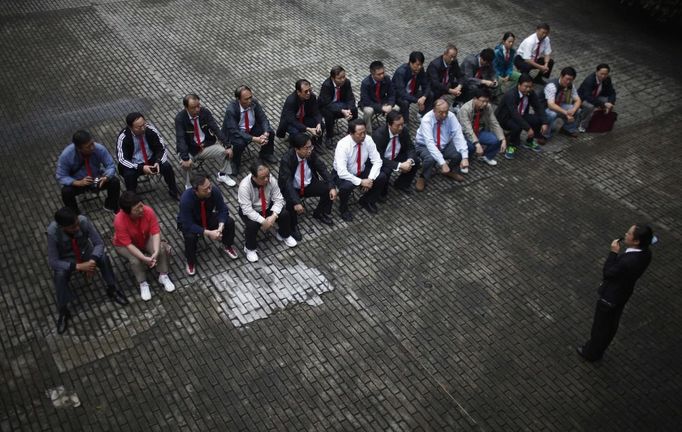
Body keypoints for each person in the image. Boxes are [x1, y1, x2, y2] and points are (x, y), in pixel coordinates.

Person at [578, 224, 654, 362]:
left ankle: (591, 352)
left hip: (610, 297)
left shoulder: (628, 261)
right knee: (611, 324)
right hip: (623, 294)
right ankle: (598, 349)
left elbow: (608, 273)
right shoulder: (646, 254)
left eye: (629, 233)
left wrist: (613, 253)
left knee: (600, 327)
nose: (625, 234)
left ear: (636, 241)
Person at [47, 208, 128, 334]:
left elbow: (99, 243)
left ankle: (112, 288)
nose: (78, 228)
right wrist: (78, 267)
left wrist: (92, 261)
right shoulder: (52, 232)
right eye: (73, 227)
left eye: (77, 223)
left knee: (103, 258)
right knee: (60, 274)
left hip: (86, 252)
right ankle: (63, 309)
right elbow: (53, 261)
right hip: (68, 258)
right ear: (63, 227)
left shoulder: (83, 221)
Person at [113, 192, 175, 301]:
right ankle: (143, 283)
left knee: (161, 248)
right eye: (137, 209)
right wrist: (144, 258)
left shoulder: (148, 211)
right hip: (125, 245)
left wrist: (155, 252)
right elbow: (128, 245)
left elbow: (155, 232)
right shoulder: (119, 220)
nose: (141, 209)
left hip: (144, 237)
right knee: (135, 260)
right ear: (128, 212)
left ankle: (163, 275)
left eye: (141, 205)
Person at [278, 133, 337, 240]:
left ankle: (320, 213)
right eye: (306, 148)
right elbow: (287, 183)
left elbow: (322, 169)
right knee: (290, 203)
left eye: (311, 147)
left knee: (327, 189)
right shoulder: (286, 160)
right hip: (293, 188)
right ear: (297, 149)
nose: (310, 150)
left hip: (308, 184)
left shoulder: (310, 154)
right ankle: (293, 225)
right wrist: (296, 202)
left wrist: (332, 186)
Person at [178, 174, 238, 276]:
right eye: (205, 190)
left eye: (209, 186)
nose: (209, 190)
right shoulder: (186, 200)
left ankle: (227, 245)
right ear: (195, 191)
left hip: (207, 217)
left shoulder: (214, 191)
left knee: (229, 222)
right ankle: (190, 261)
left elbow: (223, 209)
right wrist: (209, 233)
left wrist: (220, 227)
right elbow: (188, 224)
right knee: (190, 237)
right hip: (191, 222)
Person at [238, 160, 296, 262]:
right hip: (252, 210)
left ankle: (284, 234)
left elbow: (278, 199)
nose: (266, 179)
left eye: (267, 176)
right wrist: (264, 221)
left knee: (285, 214)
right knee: (251, 226)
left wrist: (273, 216)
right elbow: (247, 210)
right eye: (262, 178)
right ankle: (250, 248)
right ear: (254, 177)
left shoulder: (270, 179)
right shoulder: (244, 187)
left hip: (268, 206)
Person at [175, 93, 235, 188]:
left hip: (205, 145)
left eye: (198, 106)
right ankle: (189, 185)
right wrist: (185, 158)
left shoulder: (205, 112)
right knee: (185, 164)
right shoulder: (180, 118)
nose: (197, 110)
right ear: (186, 107)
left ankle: (223, 175)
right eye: (193, 108)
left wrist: (227, 145)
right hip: (190, 149)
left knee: (224, 152)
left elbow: (215, 129)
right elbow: (181, 139)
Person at [116, 112, 179, 201]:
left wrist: (158, 161)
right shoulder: (123, 137)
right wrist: (141, 168)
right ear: (130, 127)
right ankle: (132, 200)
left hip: (151, 159)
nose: (143, 128)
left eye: (144, 124)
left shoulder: (150, 130)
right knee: (129, 175)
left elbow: (162, 148)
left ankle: (174, 191)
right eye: (139, 127)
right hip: (134, 164)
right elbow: (122, 159)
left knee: (166, 166)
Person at [332, 119, 387, 221]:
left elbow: (377, 161)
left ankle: (367, 200)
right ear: (351, 133)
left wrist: (370, 179)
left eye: (364, 132)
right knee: (346, 186)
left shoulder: (368, 140)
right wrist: (361, 182)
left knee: (381, 177)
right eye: (360, 133)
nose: (363, 136)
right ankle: (343, 209)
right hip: (344, 175)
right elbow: (342, 172)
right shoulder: (343, 145)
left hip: (361, 170)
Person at [56, 129, 121, 214]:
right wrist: (77, 182)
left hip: (96, 178)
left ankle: (110, 205)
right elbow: (61, 175)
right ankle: (75, 214)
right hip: (79, 182)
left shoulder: (99, 149)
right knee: (66, 192)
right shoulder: (66, 155)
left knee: (114, 181)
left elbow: (110, 165)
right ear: (79, 148)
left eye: (92, 144)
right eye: (88, 147)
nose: (92, 148)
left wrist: (106, 176)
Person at [414, 99, 467, 191]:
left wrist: (465, 157)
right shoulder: (426, 120)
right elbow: (429, 143)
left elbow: (458, 135)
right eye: (441, 112)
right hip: (424, 146)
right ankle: (423, 177)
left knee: (459, 153)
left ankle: (448, 171)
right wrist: (442, 163)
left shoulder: (450, 116)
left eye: (446, 112)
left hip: (444, 144)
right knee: (430, 158)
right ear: (434, 111)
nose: (444, 115)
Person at [221, 85, 277, 172]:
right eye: (246, 99)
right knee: (239, 144)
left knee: (271, 132)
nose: (250, 101)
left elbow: (263, 118)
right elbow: (235, 131)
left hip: (251, 127)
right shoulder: (231, 110)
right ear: (238, 99)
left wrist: (266, 132)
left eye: (250, 97)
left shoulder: (254, 103)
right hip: (237, 132)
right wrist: (255, 139)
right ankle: (235, 163)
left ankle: (266, 154)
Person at [494, 74, 549, 160]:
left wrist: (544, 122)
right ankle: (512, 145)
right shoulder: (510, 95)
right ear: (519, 85)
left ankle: (529, 142)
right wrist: (528, 128)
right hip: (505, 118)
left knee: (537, 120)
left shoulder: (530, 92)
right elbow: (514, 114)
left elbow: (538, 106)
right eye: (526, 86)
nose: (528, 89)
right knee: (517, 126)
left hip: (521, 115)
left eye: (530, 86)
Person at [371, 111, 419, 196]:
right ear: (389, 125)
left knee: (416, 161)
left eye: (402, 124)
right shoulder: (379, 136)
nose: (401, 128)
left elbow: (410, 147)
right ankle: (381, 193)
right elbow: (379, 158)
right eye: (398, 125)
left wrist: (409, 161)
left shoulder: (403, 130)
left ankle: (402, 184)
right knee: (386, 172)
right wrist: (399, 165)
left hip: (396, 155)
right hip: (383, 160)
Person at [456, 88, 506, 167]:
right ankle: (464, 161)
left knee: (496, 139)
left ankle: (486, 157)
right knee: (472, 147)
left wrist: (503, 139)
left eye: (487, 101)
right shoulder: (465, 109)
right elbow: (467, 129)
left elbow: (494, 122)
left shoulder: (487, 107)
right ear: (475, 99)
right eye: (482, 101)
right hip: (464, 134)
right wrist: (477, 144)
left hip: (478, 131)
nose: (485, 104)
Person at [318, 66, 358, 149]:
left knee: (354, 110)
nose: (343, 79)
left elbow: (350, 98)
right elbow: (327, 103)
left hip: (340, 104)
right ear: (333, 78)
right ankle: (329, 137)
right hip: (326, 107)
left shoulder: (346, 82)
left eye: (344, 77)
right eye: (339, 78)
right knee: (329, 115)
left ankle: (351, 132)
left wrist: (349, 110)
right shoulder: (326, 85)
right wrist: (342, 110)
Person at [275, 79, 323, 148]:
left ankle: (316, 144)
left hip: (303, 118)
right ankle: (293, 149)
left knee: (321, 125)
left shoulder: (312, 97)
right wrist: (308, 129)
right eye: (306, 91)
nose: (309, 93)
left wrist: (318, 123)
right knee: (296, 133)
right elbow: (292, 120)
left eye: (310, 90)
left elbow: (316, 112)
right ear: (298, 92)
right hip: (290, 122)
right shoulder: (291, 101)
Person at [358, 61, 400, 135]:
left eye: (383, 73)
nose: (382, 76)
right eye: (379, 74)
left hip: (382, 102)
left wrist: (390, 105)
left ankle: (390, 130)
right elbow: (366, 101)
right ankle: (368, 134)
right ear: (372, 74)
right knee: (368, 111)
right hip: (369, 104)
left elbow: (392, 94)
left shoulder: (386, 79)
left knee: (396, 108)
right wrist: (381, 108)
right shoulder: (365, 83)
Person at [543, 67, 582, 138]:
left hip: (559, 105)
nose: (568, 82)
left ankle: (567, 129)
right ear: (561, 76)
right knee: (552, 114)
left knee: (577, 110)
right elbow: (551, 105)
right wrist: (566, 113)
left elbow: (578, 100)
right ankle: (544, 135)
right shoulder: (552, 86)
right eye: (567, 79)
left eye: (571, 80)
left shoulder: (570, 85)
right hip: (545, 107)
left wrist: (573, 110)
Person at [578, 63, 617, 132]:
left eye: (605, 74)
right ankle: (582, 124)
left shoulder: (607, 79)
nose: (603, 76)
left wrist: (610, 103)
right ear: (596, 72)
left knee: (607, 101)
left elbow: (612, 92)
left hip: (596, 96)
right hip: (583, 99)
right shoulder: (589, 81)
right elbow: (588, 97)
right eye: (601, 74)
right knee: (590, 106)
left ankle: (600, 120)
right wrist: (603, 104)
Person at [392, 51, 429, 123]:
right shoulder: (401, 72)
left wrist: (424, 96)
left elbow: (426, 84)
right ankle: (405, 123)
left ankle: (421, 114)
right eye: (417, 64)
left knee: (430, 94)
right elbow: (401, 93)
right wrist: (417, 100)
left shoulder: (420, 70)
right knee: (405, 103)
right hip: (398, 96)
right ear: (410, 63)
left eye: (421, 65)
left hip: (412, 92)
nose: (419, 67)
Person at [425, 44, 464, 110]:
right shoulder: (434, 65)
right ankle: (426, 111)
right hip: (434, 87)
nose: (452, 59)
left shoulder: (454, 62)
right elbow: (436, 83)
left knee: (465, 86)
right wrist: (451, 90)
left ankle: (455, 105)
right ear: (444, 54)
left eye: (454, 57)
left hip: (448, 84)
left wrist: (459, 86)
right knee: (433, 93)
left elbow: (460, 76)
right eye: (451, 56)